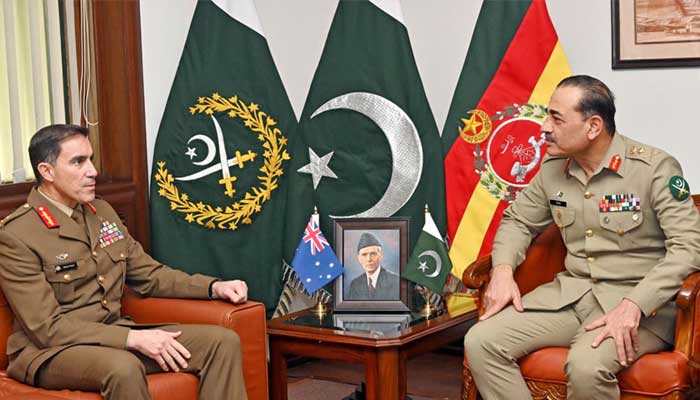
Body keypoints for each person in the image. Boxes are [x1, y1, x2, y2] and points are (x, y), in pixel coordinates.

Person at [463, 75, 700, 400]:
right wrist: (503, 270)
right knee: (481, 341)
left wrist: (634, 304)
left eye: (556, 118)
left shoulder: (654, 168)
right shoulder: (553, 167)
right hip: (570, 298)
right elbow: (518, 220)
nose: (544, 127)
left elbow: (688, 248)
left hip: (641, 308)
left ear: (593, 127)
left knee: (586, 366)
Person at [0, 124, 250, 399]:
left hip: (112, 335)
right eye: (78, 162)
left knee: (221, 342)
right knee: (123, 367)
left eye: (91, 159)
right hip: (49, 352)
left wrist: (213, 287)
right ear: (46, 171)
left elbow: (150, 275)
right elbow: (47, 328)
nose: (92, 171)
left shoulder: (101, 212)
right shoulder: (16, 234)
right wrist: (132, 339)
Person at [347, 232, 400, 300]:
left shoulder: (396, 281)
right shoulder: (355, 284)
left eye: (373, 254)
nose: (369, 259)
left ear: (381, 256)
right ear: (359, 258)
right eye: (364, 255)